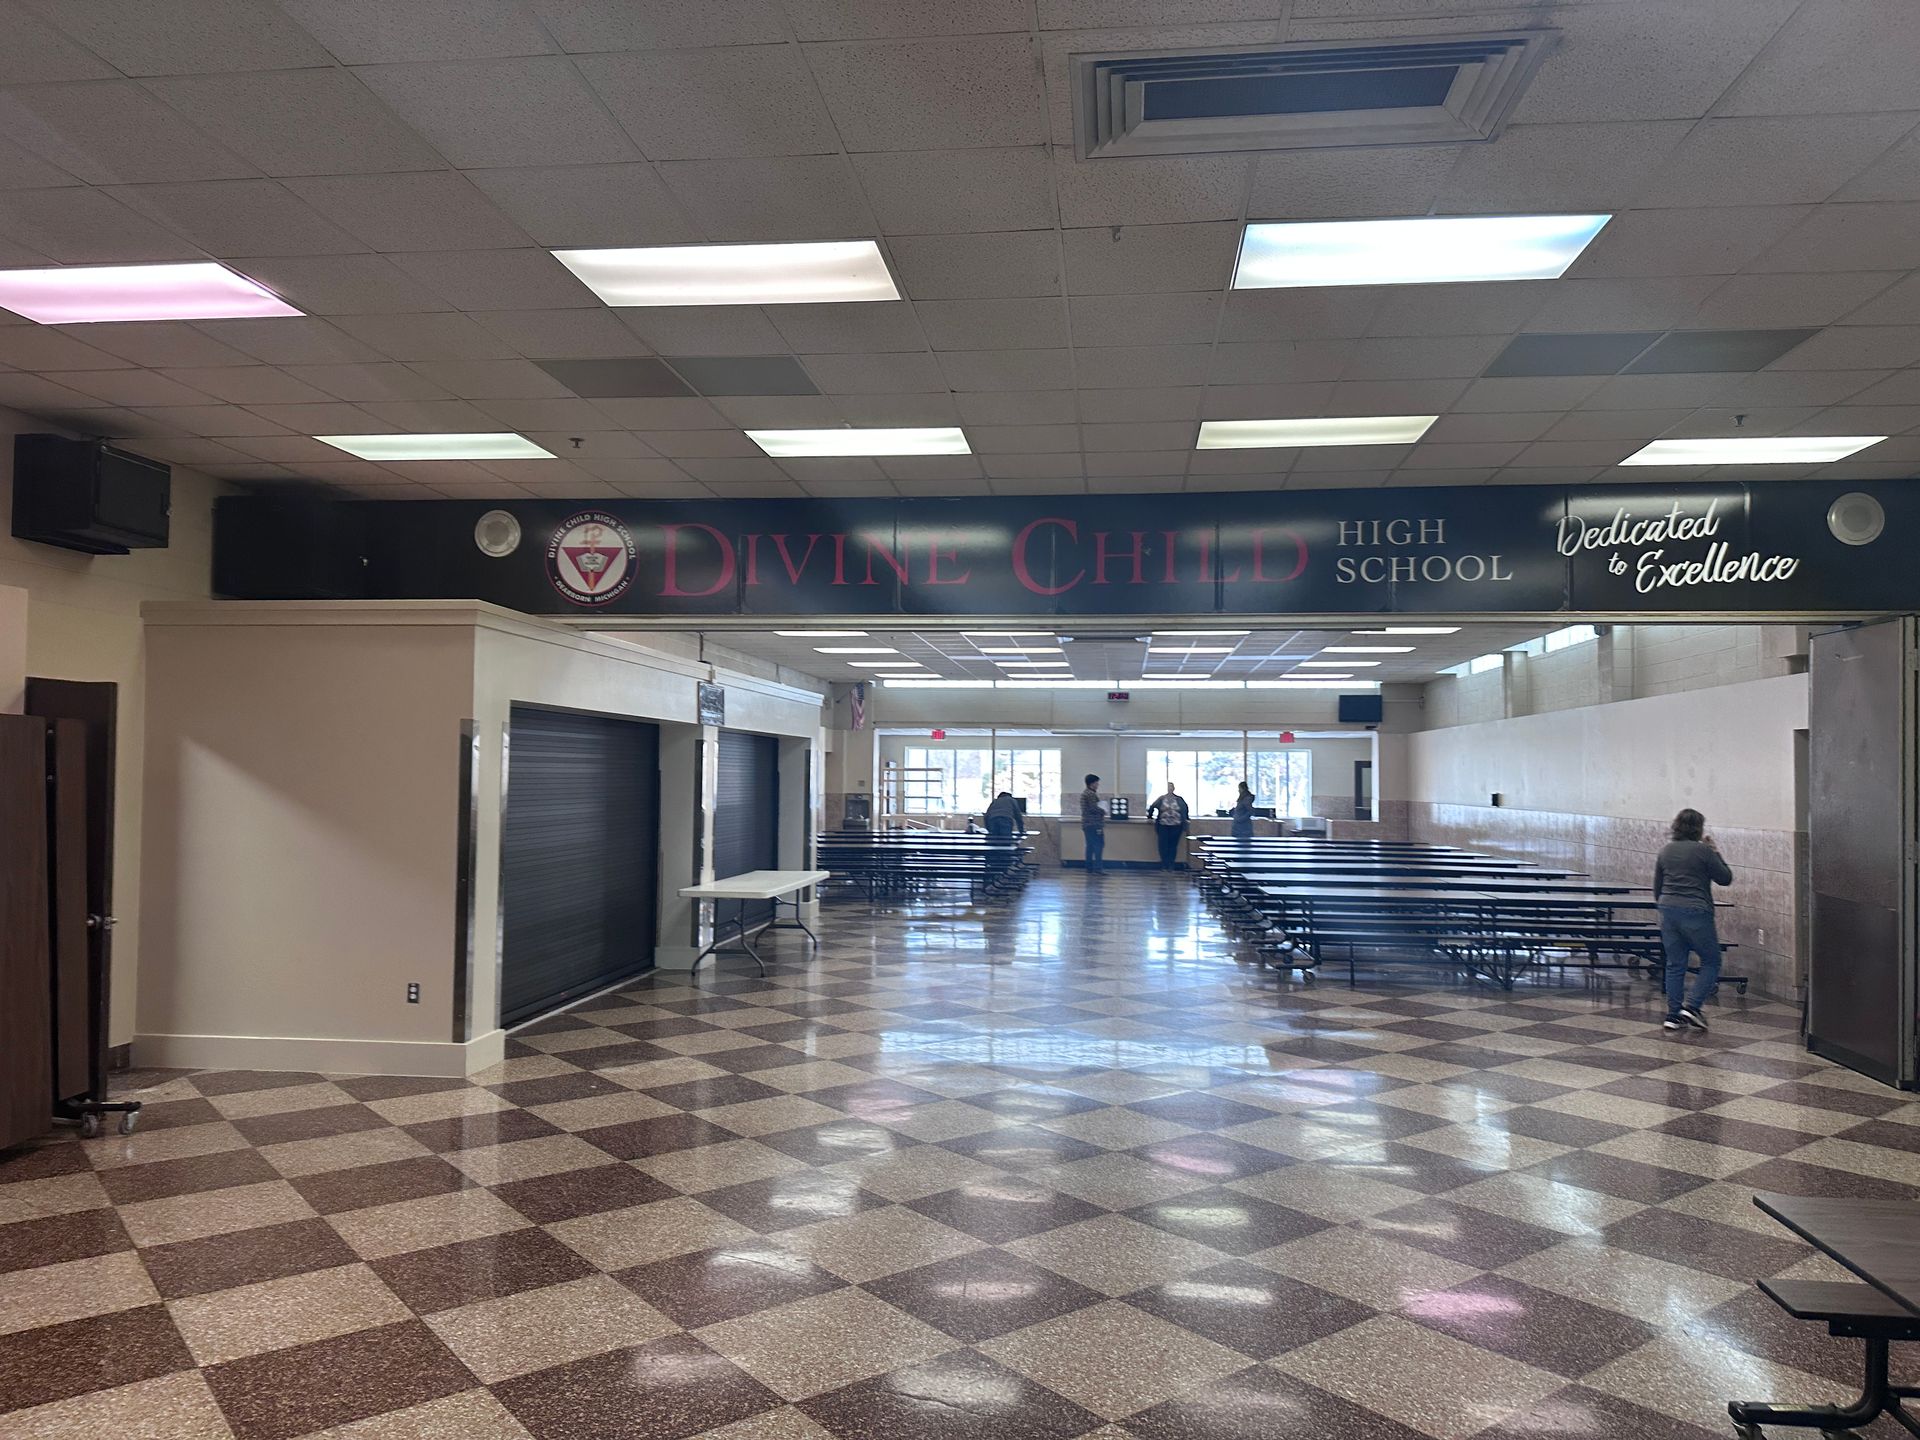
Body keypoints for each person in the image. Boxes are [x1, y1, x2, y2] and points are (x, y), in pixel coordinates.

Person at [1655, 807, 1733, 1032]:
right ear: (1699, 828)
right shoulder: (1703, 852)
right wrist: (1715, 851)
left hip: (1668, 910)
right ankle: (1693, 1006)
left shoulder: (1665, 851)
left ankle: (1672, 1015)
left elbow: (1657, 886)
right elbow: (1725, 878)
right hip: (1696, 912)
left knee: (1675, 964)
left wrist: (1664, 907)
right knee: (1711, 961)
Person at [1145, 781, 1189, 870]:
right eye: (1168, 787)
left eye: (1171, 787)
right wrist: (1150, 817)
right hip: (1163, 825)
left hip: (1176, 825)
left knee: (1173, 845)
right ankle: (1164, 863)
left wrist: (1186, 819)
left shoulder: (1179, 799)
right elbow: (1152, 807)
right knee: (1163, 845)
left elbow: (1185, 809)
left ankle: (1171, 864)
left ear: (1174, 789)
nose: (1170, 789)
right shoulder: (1161, 799)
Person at [1079, 773, 1107, 874]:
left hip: (1087, 824)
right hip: (1094, 824)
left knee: (1090, 846)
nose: (1098, 785)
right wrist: (1103, 810)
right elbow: (1093, 808)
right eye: (1096, 783)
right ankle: (1098, 868)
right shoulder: (1090, 794)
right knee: (1098, 845)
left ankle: (1089, 867)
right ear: (1092, 783)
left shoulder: (1085, 793)